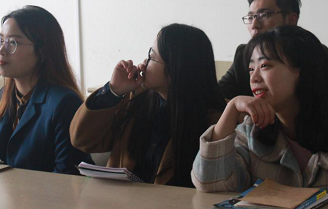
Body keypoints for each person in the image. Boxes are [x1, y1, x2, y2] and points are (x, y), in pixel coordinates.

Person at [192, 26, 328, 208]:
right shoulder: (251, 129)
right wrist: (231, 109)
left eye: (265, 65)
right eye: (251, 69)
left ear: (302, 71)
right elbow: (211, 183)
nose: (254, 77)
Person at [70, 23, 227, 187]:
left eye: (151, 57)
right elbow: (81, 140)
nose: (144, 63)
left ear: (174, 69)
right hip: (119, 199)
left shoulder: (216, 123)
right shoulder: (136, 101)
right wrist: (113, 91)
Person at [0, 5, 93, 174]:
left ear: (42, 52)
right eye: (1, 40)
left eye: (13, 42)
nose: (1, 50)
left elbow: (67, 176)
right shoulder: (3, 96)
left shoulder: (64, 103)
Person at [218, 0, 328, 100]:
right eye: (250, 17)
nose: (254, 25)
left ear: (291, 20)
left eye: (264, 15)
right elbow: (217, 97)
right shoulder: (243, 54)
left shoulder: (319, 56)